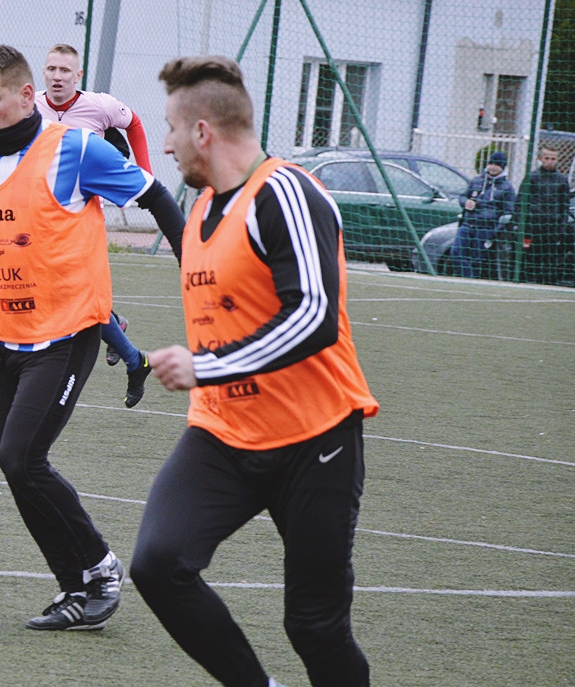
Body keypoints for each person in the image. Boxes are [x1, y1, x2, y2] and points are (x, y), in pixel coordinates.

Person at [0, 44, 185, 631]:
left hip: (68, 333)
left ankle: (99, 569)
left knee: (21, 458)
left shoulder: (75, 149)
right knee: (17, 466)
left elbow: (155, 195)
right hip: (4, 336)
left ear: (26, 96)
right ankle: (78, 589)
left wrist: (193, 267)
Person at [129, 55, 380, 687]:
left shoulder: (286, 192)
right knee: (158, 563)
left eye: (171, 128)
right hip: (223, 435)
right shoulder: (201, 212)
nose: (165, 144)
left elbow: (315, 314)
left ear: (203, 132)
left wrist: (207, 365)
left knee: (315, 626)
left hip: (315, 441)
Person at [35, 43, 159, 406]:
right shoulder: (31, 107)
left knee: (78, 301)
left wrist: (145, 174)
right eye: (51, 69)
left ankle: (133, 357)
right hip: (40, 218)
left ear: (78, 76)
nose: (57, 76)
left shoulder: (100, 105)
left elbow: (134, 123)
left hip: (83, 217)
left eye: (65, 71)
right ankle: (130, 349)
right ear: (43, 72)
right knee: (69, 297)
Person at [452, 150, 516, 279]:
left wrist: (495, 230)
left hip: (486, 228)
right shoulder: (476, 181)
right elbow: (463, 196)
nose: (493, 167)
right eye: (491, 163)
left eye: (497, 164)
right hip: (468, 223)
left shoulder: (507, 187)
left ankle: (472, 282)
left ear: (502, 168)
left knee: (477, 259)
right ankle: (467, 277)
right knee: (456, 252)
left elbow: (509, 211)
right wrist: (466, 202)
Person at [518, 144, 570, 284]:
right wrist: (521, 223)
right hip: (532, 227)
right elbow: (521, 202)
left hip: (551, 228)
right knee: (529, 256)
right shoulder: (532, 177)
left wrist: (561, 226)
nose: (550, 161)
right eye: (547, 158)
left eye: (553, 158)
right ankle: (528, 281)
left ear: (557, 160)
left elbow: (564, 205)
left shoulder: (562, 180)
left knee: (548, 258)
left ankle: (545, 282)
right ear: (541, 159)